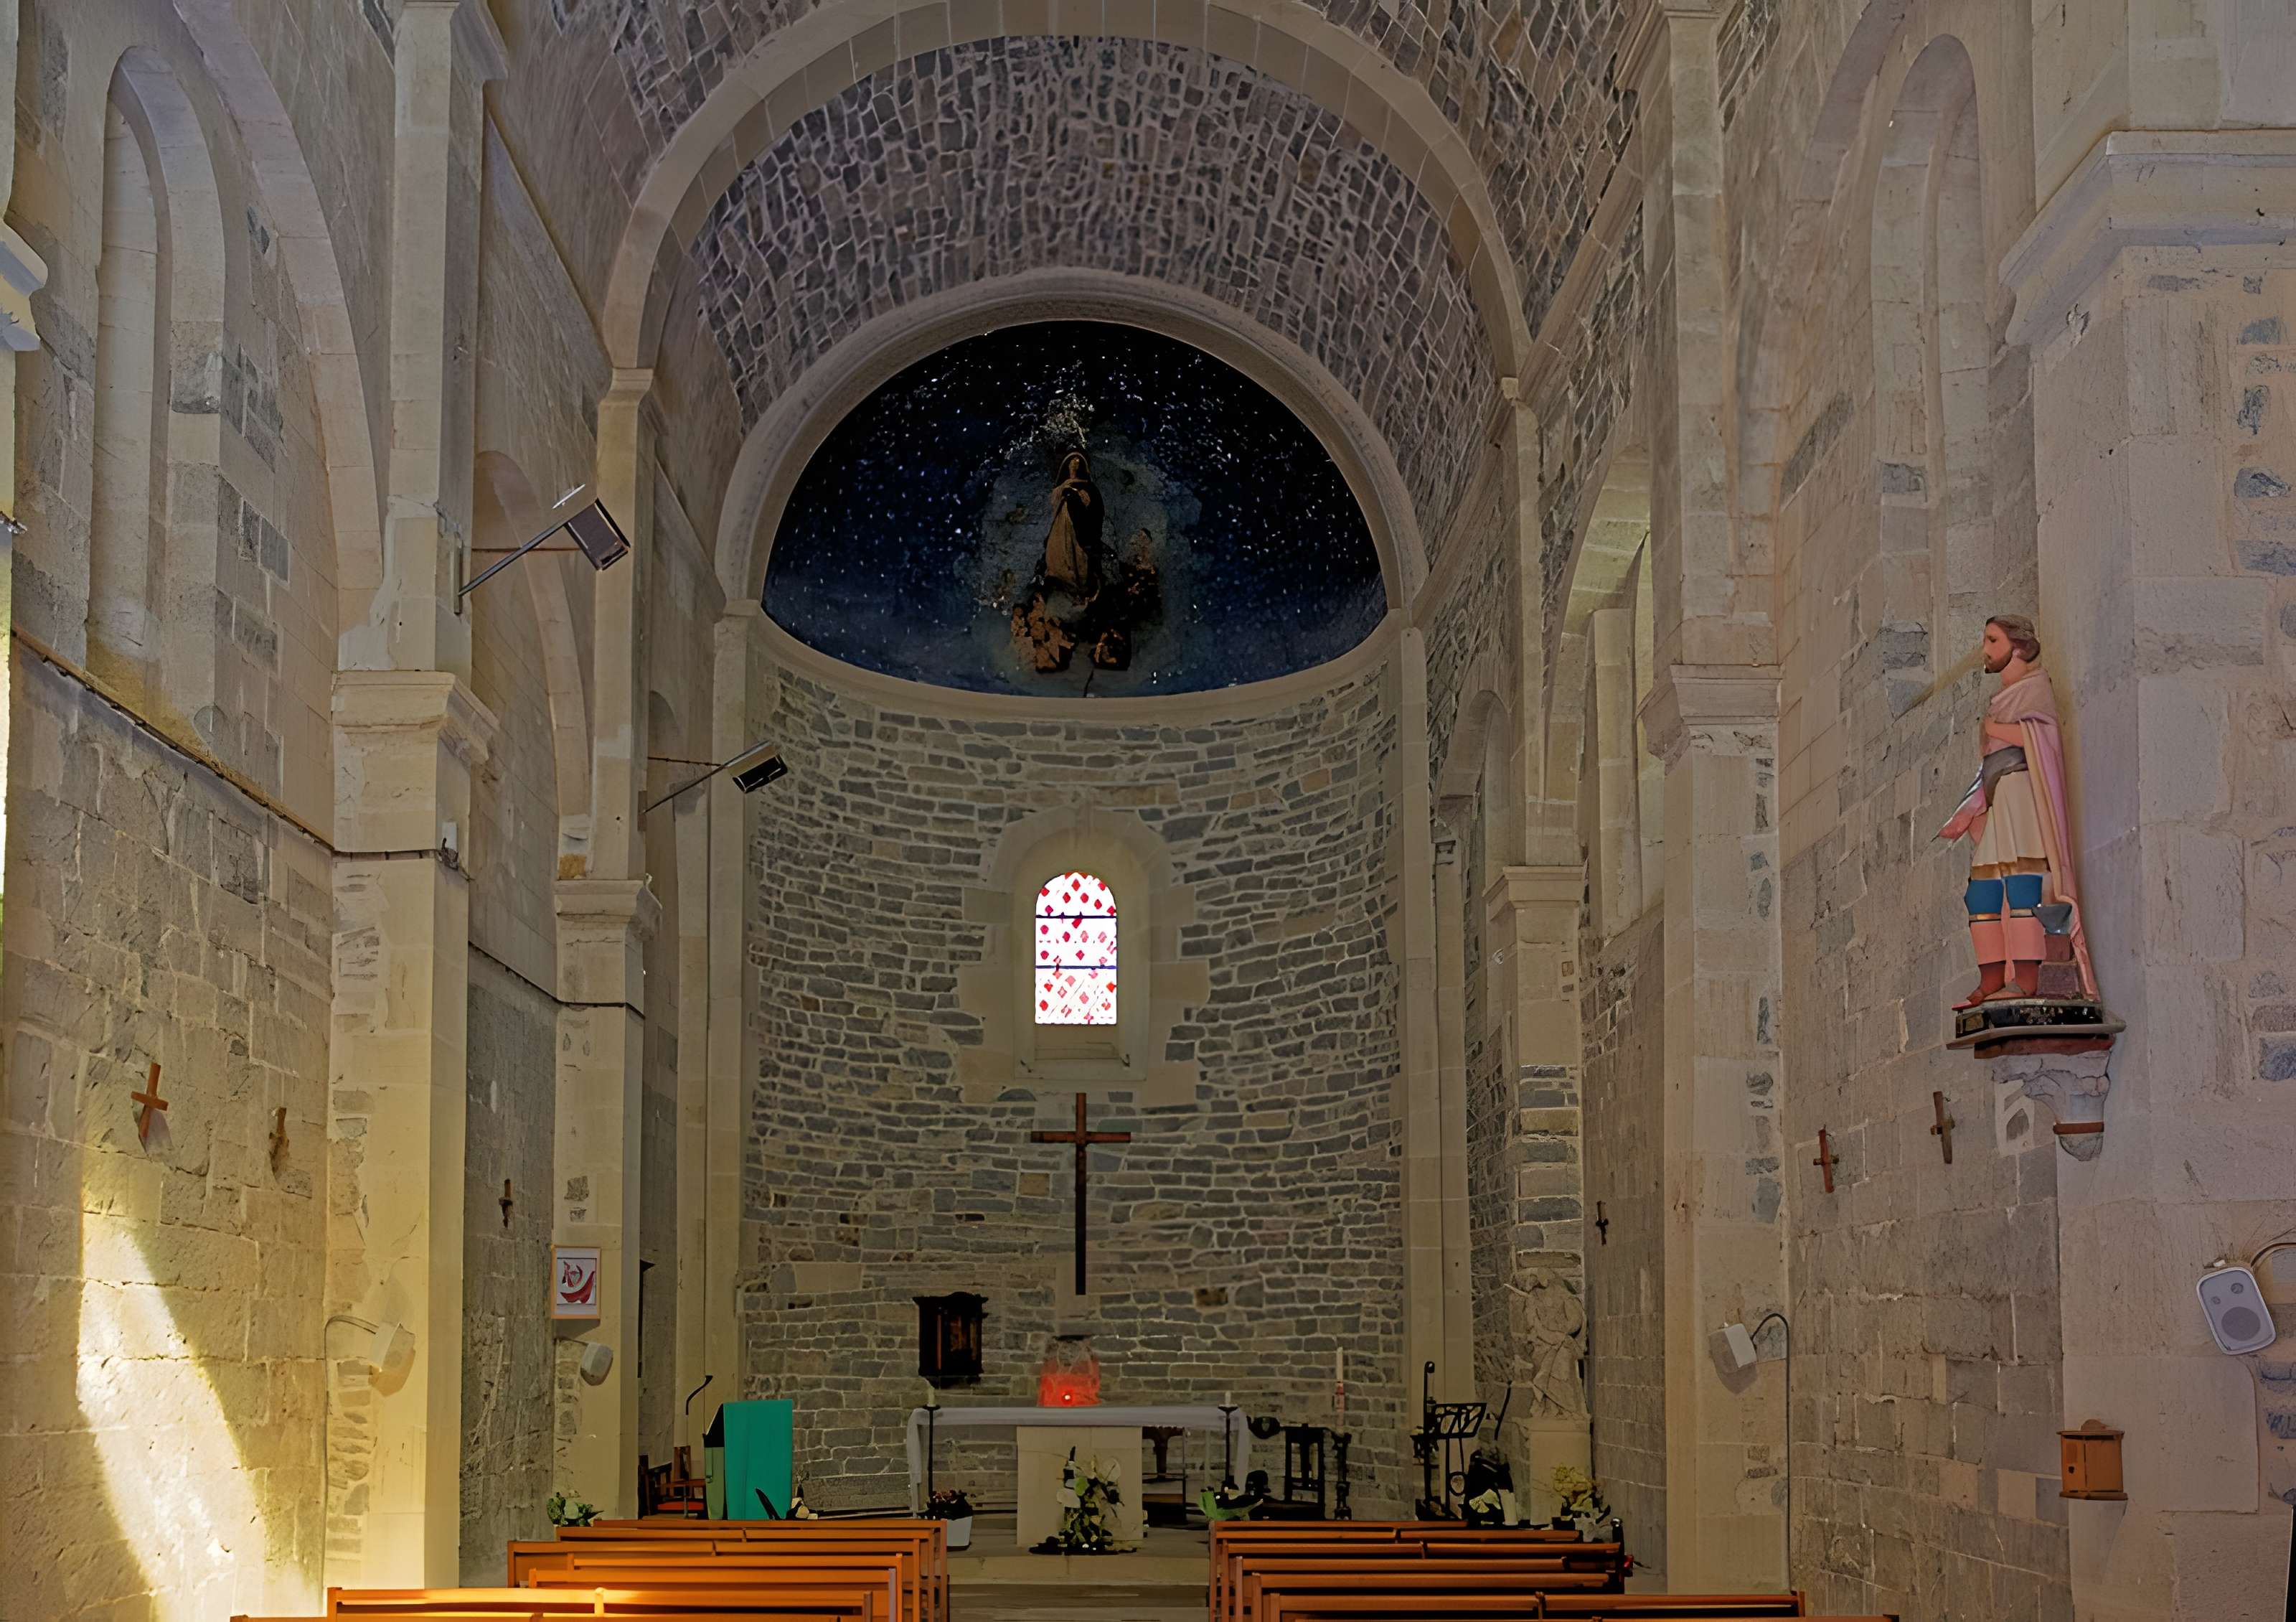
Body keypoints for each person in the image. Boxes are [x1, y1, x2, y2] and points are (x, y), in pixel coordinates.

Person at [1937, 614, 2097, 1008]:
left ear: (2019, 647)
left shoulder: (2035, 688)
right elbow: (1989, 767)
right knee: (1981, 892)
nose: (1985, 650)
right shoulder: (2000, 700)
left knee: (2024, 886)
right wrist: (1971, 808)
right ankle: (1991, 980)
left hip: (2026, 795)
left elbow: (2044, 738)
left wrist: (1997, 730)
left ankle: (2027, 982)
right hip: (2000, 797)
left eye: (1993, 641)